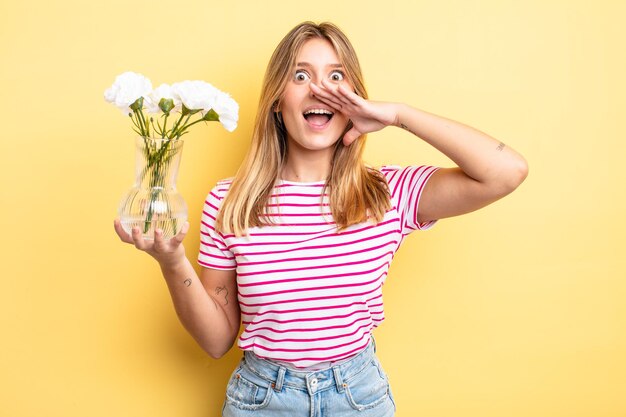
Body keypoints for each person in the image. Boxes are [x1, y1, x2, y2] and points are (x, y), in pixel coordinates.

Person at [114, 21, 528, 417]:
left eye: (335, 77)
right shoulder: (230, 201)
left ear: (354, 102)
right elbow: (217, 340)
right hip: (261, 400)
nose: (319, 90)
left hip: (359, 397)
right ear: (277, 101)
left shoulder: (387, 193)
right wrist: (172, 263)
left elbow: (506, 172)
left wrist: (397, 114)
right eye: (300, 76)